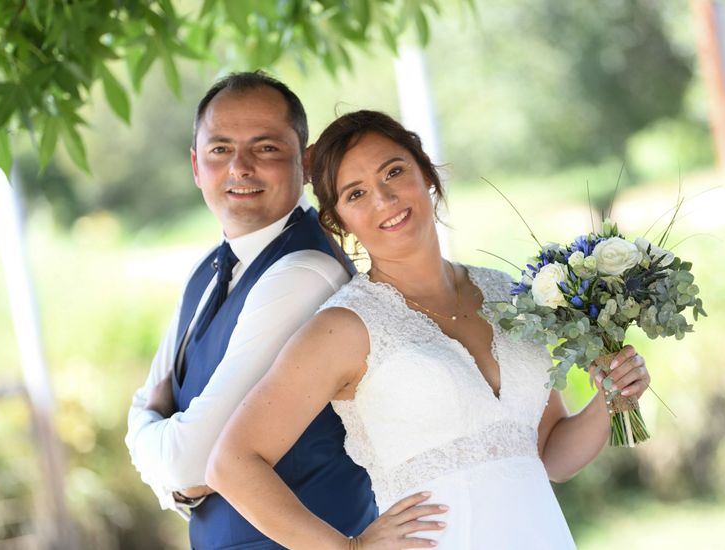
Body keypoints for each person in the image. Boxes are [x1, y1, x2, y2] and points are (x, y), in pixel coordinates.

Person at [206, 110, 653, 549]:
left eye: (394, 172)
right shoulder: (344, 328)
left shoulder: (509, 295)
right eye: (356, 194)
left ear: (427, 175)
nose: (383, 199)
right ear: (340, 220)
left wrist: (610, 398)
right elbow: (232, 463)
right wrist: (349, 549)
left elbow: (551, 455)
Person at [125, 73, 381, 549]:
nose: (239, 167)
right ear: (196, 165)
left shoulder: (305, 272)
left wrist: (150, 438)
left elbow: (191, 457)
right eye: (220, 149)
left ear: (304, 163)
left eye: (265, 148)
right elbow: (154, 411)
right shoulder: (206, 270)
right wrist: (173, 463)